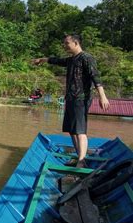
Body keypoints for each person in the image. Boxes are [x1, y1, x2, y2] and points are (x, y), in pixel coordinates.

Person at [32, 34, 110, 168]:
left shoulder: (87, 58)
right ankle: (79, 155)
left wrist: (102, 96)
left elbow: (95, 77)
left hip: (81, 99)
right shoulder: (72, 60)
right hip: (71, 99)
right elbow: (56, 60)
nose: (65, 45)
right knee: (72, 130)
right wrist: (42, 59)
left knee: (80, 130)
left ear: (76, 43)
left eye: (67, 43)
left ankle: (81, 160)